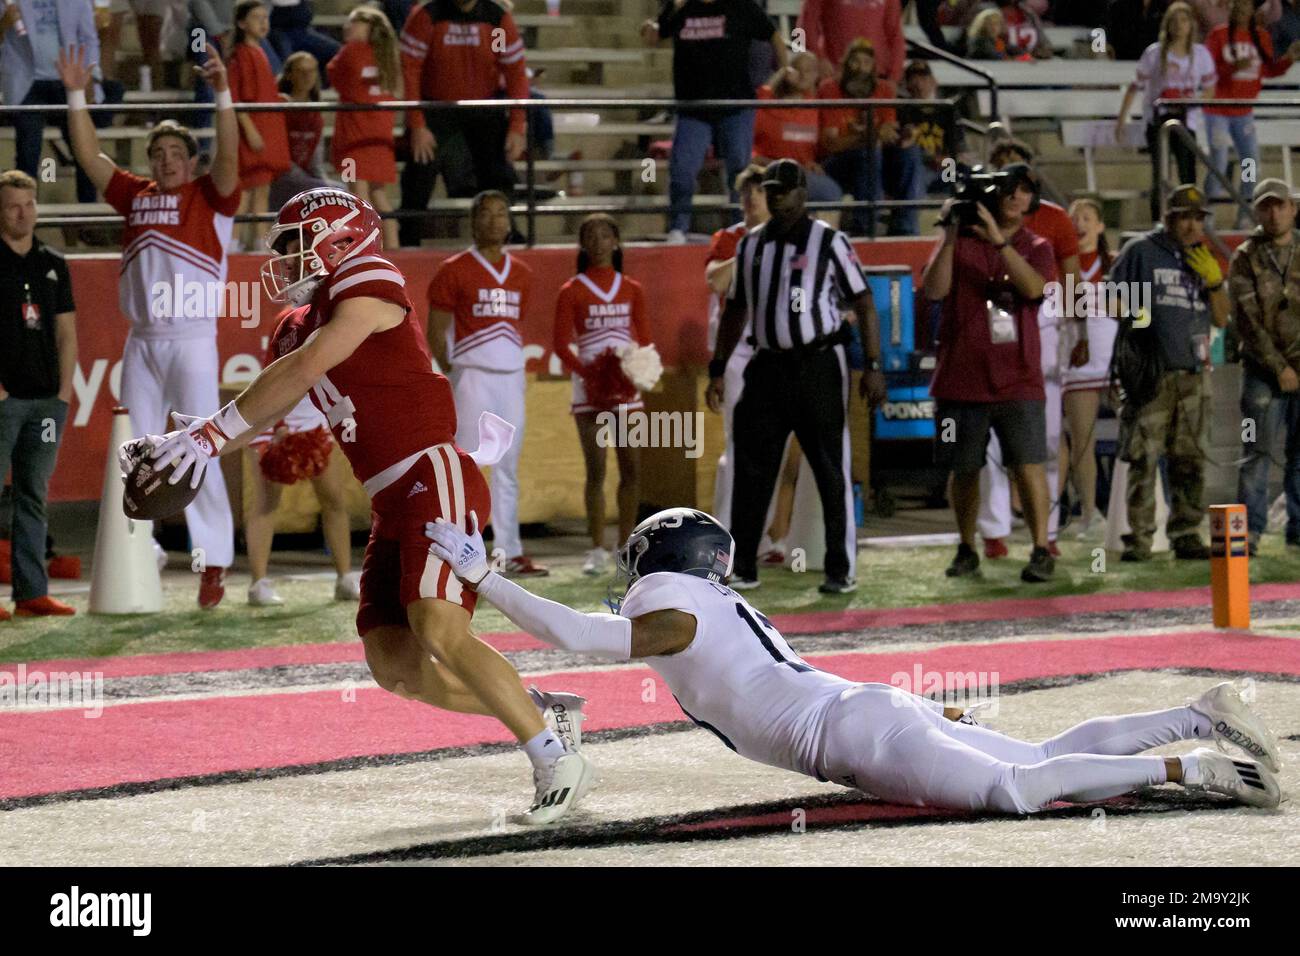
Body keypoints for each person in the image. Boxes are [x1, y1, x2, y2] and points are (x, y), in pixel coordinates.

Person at [126, 187, 593, 823]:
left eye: (294, 244)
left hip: (433, 473)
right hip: (388, 499)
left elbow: (312, 364)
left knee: (437, 628)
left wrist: (209, 434)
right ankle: (533, 706)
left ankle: (554, 759)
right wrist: (188, 435)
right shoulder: (296, 322)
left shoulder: (370, 280)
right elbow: (276, 401)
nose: (285, 259)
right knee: (396, 667)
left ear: (339, 239)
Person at [426, 507, 1283, 814]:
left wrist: (486, 578)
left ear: (666, 565)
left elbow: (583, 635)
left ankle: (1190, 763)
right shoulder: (715, 604)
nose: (632, 578)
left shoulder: (671, 604)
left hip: (852, 732)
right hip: (859, 710)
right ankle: (1200, 712)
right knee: (1045, 757)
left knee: (1014, 791)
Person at [60, 42, 237, 608]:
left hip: (191, 340)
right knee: (133, 450)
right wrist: (75, 92)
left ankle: (213, 559)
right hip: (143, 342)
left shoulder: (210, 198)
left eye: (174, 152)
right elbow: (89, 157)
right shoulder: (133, 195)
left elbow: (231, 159)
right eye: (156, 151)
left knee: (198, 447)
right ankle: (142, 549)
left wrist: (224, 94)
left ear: (190, 161)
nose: (164, 160)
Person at [707, 159, 886, 593]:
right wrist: (717, 367)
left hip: (819, 362)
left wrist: (874, 366)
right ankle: (744, 564)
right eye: (771, 190)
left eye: (784, 190)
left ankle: (840, 569)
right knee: (751, 466)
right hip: (767, 363)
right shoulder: (751, 245)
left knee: (829, 467)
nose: (776, 198)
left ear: (803, 193)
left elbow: (862, 302)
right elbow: (736, 309)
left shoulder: (830, 241)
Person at [921, 167, 1057, 583]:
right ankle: (966, 546)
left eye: (1025, 192)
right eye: (1009, 191)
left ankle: (1040, 547)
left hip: (1018, 376)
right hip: (961, 376)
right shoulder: (958, 242)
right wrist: (949, 235)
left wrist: (999, 244)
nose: (1017, 199)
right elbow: (934, 290)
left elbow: (1034, 289)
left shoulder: (1037, 245)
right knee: (963, 467)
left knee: (1028, 464)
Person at [427, 190, 549, 579]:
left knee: (508, 465)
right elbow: (435, 330)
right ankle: (465, 546)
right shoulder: (454, 269)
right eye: (487, 214)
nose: (495, 221)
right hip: (472, 375)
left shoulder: (523, 274)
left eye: (502, 214)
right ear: (473, 221)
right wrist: (454, 370)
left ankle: (509, 551)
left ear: (509, 223)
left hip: (511, 377)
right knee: (469, 463)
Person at [1107, 184, 1229, 562]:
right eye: (1184, 217)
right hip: (1152, 374)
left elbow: (1222, 319)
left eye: (1198, 218)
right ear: (1168, 217)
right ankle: (1140, 540)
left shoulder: (1202, 257)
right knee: (1143, 457)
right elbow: (1112, 299)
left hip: (1193, 374)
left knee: (1191, 458)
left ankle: (1186, 534)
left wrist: (1215, 283)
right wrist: (1138, 327)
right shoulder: (1141, 250)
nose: (1193, 225)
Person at [978, 144, 1081, 561]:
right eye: (1001, 171)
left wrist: (1080, 329)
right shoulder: (977, 216)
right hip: (991, 324)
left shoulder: (1054, 218)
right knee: (989, 440)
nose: (1010, 187)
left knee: (1048, 435)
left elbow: (1070, 279)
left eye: (1018, 178)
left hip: (1042, 326)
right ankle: (994, 529)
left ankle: (1047, 530)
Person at [706, 161, 800, 561]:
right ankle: (724, 542)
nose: (750, 199)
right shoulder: (731, 238)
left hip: (775, 347)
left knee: (774, 447)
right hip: (738, 349)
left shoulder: (789, 236)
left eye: (758, 192)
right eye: (745, 193)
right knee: (738, 445)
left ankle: (762, 537)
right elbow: (716, 281)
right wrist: (749, 246)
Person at [552, 214, 651, 576]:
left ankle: (625, 546)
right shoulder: (572, 290)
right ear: (582, 245)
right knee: (596, 470)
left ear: (616, 242)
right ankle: (595, 549)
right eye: (589, 236)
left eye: (604, 235)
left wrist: (630, 372)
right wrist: (591, 375)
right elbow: (561, 345)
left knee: (631, 468)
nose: (597, 242)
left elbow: (646, 339)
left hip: (626, 388)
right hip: (589, 389)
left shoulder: (632, 288)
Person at [642, 0, 787, 243]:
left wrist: (782, 71)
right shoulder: (681, 6)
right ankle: (678, 227)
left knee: (739, 171)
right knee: (683, 170)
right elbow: (653, 37)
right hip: (693, 108)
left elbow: (773, 35)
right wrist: (666, 14)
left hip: (736, 106)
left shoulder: (741, 6)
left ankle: (741, 227)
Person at [0, 169, 77, 619]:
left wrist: (64, 392)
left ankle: (31, 593)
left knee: (34, 494)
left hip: (47, 402)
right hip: (6, 402)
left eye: (28, 204)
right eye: (12, 205)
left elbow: (67, 333)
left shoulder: (52, 262)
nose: (22, 213)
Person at [398, 0, 527, 248]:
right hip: (436, 109)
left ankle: (506, 238)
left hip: (484, 107)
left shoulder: (496, 19)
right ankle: (408, 240)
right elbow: (410, 70)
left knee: (498, 175)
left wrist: (516, 126)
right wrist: (417, 124)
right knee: (419, 174)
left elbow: (514, 71)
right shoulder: (427, 15)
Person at [243, 366, 360, 606]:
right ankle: (258, 583)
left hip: (313, 418)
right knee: (267, 502)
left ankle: (345, 578)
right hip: (273, 420)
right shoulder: (287, 331)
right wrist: (277, 426)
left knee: (334, 499)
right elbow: (273, 371)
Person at [1228, 178, 1300, 555]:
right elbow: (1246, 322)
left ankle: (1298, 531)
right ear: (1257, 211)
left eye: (1280, 205)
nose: (1274, 213)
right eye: (1266, 206)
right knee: (1255, 451)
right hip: (1261, 374)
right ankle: (1249, 532)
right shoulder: (1245, 256)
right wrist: (1279, 367)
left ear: (1293, 208)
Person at [1115, 2, 1217, 223]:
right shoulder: (1154, 53)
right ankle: (1159, 220)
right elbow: (1136, 86)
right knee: (1160, 174)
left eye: (1184, 20)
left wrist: (1197, 102)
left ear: (1191, 24)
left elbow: (1210, 86)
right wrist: (1121, 119)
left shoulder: (1200, 54)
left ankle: (1191, 217)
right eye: (1174, 21)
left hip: (1187, 120)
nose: (1179, 26)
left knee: (1187, 173)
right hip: (1159, 119)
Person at [1204, 0, 1300, 222]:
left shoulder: (1260, 37)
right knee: (1217, 163)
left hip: (1243, 111)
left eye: (1246, 7)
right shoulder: (1218, 35)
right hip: (1218, 109)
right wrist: (1232, 68)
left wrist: (1287, 60)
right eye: (1238, 7)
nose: (1242, 11)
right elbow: (1207, 71)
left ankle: (1245, 214)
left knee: (1250, 162)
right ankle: (1207, 216)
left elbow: (1267, 70)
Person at [818, 38, 924, 237]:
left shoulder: (884, 90)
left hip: (876, 165)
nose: (860, 68)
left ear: (874, 67)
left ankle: (905, 227)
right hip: (836, 166)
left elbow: (888, 134)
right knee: (870, 148)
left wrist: (902, 138)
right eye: (855, 61)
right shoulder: (829, 88)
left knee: (910, 152)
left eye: (866, 62)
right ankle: (866, 227)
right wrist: (871, 135)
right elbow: (830, 144)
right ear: (845, 63)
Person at [0, 0, 101, 203]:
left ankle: (88, 217)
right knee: (28, 153)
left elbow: (89, 39)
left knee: (84, 149)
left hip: (68, 81)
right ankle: (26, 219)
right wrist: (4, 23)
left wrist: (91, 75)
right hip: (26, 84)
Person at [1059, 197, 1119, 540]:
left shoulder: (1116, 265)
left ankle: (1140, 506)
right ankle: (1089, 514)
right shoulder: (1058, 266)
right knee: (1084, 441)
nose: (1080, 223)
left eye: (1087, 217)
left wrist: (1119, 305)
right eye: (1074, 218)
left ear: (1099, 226)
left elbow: (1141, 317)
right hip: (1078, 365)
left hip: (1117, 365)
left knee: (1139, 436)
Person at [328, 6, 400, 251]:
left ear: (369, 28)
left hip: (356, 136)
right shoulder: (387, 56)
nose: (348, 27)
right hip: (380, 135)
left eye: (355, 23)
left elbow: (333, 74)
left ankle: (367, 251)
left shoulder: (352, 51)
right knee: (379, 195)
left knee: (357, 196)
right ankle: (392, 246)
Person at [229, 0, 291, 251]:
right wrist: (250, 129)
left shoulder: (260, 51)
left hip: (266, 126)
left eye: (265, 18)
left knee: (260, 189)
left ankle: (256, 240)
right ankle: (236, 241)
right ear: (242, 23)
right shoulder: (240, 55)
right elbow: (235, 97)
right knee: (246, 188)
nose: (263, 23)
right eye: (256, 18)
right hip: (254, 128)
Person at [752, 52, 843, 218]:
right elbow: (749, 145)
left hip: (800, 172)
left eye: (810, 70)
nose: (803, 74)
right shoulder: (765, 102)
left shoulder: (814, 106)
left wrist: (812, 163)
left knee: (830, 192)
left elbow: (817, 146)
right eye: (798, 69)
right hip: (768, 167)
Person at [795, 0, 905, 82]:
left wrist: (894, 76)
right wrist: (819, 59)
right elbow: (805, 26)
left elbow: (895, 35)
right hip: (835, 75)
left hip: (877, 76)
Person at [1107, 0, 1172, 60]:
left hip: (1155, 61)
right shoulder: (1119, 6)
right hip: (1124, 61)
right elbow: (1112, 39)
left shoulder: (1166, 7)